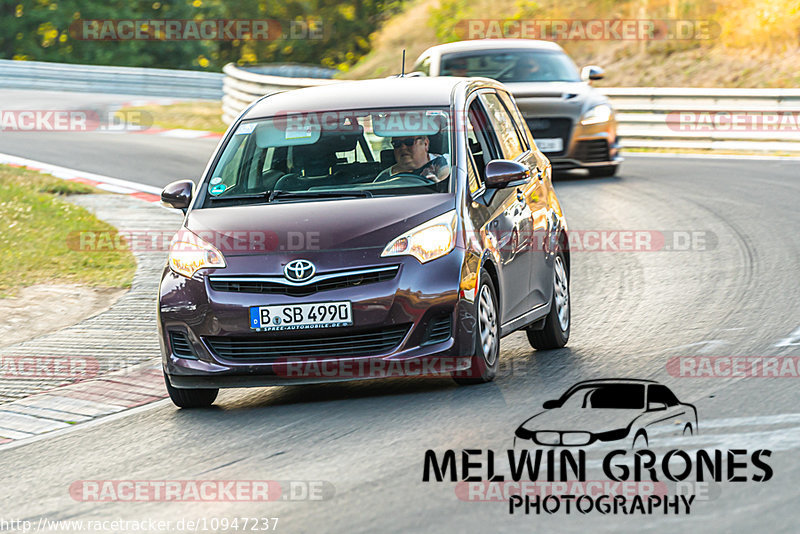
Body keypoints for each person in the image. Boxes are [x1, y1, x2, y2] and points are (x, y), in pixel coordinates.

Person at [374, 135, 449, 183]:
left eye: (409, 142)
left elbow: (445, 182)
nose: (403, 147)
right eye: (396, 144)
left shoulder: (446, 162)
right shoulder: (384, 177)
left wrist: (437, 182)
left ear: (425, 144)